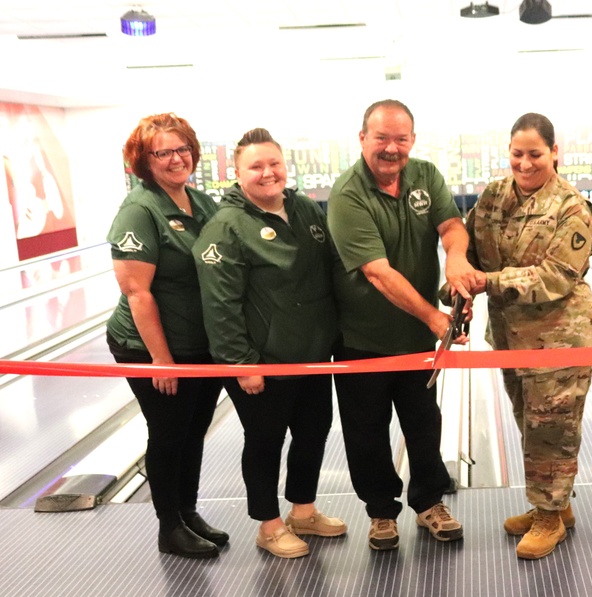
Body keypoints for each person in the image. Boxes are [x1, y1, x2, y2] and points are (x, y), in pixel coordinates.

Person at [326, 99, 477, 551]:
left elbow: (451, 225)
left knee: (424, 425)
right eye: (382, 138)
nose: (392, 148)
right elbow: (378, 272)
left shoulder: (425, 176)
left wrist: (455, 261)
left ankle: (430, 502)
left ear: (412, 140)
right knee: (367, 433)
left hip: (414, 342)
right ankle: (380, 513)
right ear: (362, 139)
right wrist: (435, 316)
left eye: (401, 139)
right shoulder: (347, 194)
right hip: (362, 339)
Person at [193, 128, 346, 559]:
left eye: (274, 163)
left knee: (313, 432)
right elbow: (220, 304)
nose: (268, 173)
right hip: (264, 360)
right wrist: (242, 363)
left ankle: (303, 511)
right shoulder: (225, 228)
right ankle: (269, 524)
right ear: (236, 173)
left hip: (313, 355)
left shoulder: (303, 208)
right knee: (265, 440)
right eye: (256, 166)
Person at [463, 112, 592, 559]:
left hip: (560, 339)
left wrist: (484, 283)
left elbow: (555, 277)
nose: (525, 164)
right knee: (530, 422)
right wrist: (455, 279)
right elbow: (467, 246)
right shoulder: (494, 196)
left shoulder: (572, 208)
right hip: (510, 339)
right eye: (517, 154)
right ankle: (555, 506)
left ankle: (548, 517)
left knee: (553, 429)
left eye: (535, 154)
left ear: (555, 153)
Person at [106, 112, 226, 559]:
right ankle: (168, 526)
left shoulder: (202, 202)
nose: (177, 159)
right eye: (163, 152)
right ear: (144, 160)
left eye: (182, 149)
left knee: (194, 430)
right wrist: (162, 360)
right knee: (169, 431)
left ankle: (188, 512)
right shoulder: (140, 210)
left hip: (199, 346)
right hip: (149, 346)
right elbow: (137, 292)